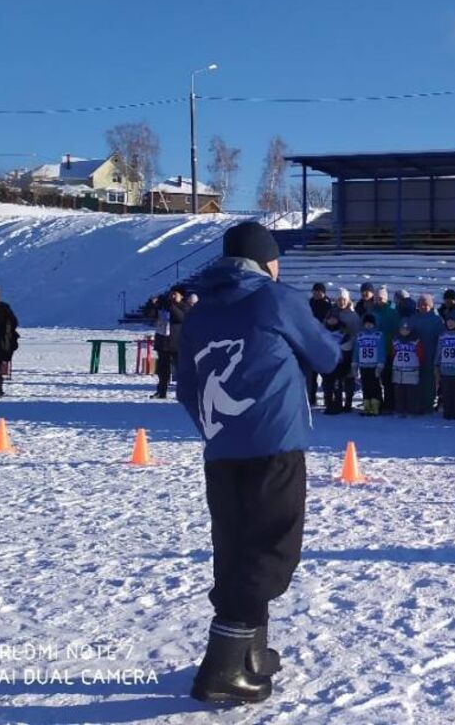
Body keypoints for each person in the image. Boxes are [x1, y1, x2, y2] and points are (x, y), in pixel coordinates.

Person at [176, 221, 340, 705]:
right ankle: (225, 665)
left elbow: (186, 387)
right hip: (274, 443)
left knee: (234, 548)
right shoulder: (275, 297)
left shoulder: (200, 312)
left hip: (222, 449)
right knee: (272, 549)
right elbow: (328, 357)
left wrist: (217, 429)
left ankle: (251, 654)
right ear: (266, 261)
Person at [152, 285, 188, 399]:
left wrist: (171, 306)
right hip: (163, 342)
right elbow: (150, 315)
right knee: (162, 370)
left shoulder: (185, 307)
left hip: (177, 344)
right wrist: (153, 304)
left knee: (181, 370)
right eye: (171, 294)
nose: (172, 296)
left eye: (175, 294)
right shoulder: (164, 306)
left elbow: (180, 318)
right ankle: (161, 392)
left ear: (181, 296)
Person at [411, 294, 445, 414]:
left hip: (431, 353)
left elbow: (441, 338)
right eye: (420, 305)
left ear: (431, 305)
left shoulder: (436, 320)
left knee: (429, 381)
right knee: (416, 379)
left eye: (426, 305)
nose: (423, 307)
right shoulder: (413, 318)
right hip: (415, 355)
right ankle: (416, 403)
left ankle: (428, 404)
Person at [372, 285, 399, 414]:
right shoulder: (372, 311)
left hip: (388, 349)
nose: (378, 301)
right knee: (375, 379)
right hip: (374, 351)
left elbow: (396, 330)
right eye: (376, 298)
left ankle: (390, 403)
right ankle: (376, 403)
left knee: (388, 379)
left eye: (381, 298)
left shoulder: (392, 311)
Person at [305, 283, 332, 407]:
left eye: (319, 291)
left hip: (323, 343)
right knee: (311, 375)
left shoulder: (328, 305)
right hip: (310, 342)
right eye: (315, 291)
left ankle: (328, 398)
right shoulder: (308, 304)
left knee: (326, 374)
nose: (316, 293)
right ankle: (311, 398)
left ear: (324, 292)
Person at [390, 320, 423, 417]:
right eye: (402, 329)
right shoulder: (395, 340)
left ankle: (412, 410)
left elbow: (420, 355)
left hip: (411, 370)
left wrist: (417, 364)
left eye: (407, 329)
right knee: (399, 392)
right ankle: (399, 410)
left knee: (411, 392)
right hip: (398, 370)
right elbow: (393, 353)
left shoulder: (416, 341)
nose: (404, 331)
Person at [353, 313, 384, 416]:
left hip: (374, 366)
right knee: (365, 386)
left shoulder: (378, 335)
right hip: (363, 365)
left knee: (375, 386)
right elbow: (356, 351)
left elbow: (381, 351)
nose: (368, 325)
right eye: (366, 324)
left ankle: (376, 406)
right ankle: (367, 406)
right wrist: (355, 364)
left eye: (370, 324)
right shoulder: (360, 335)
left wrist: (380, 364)